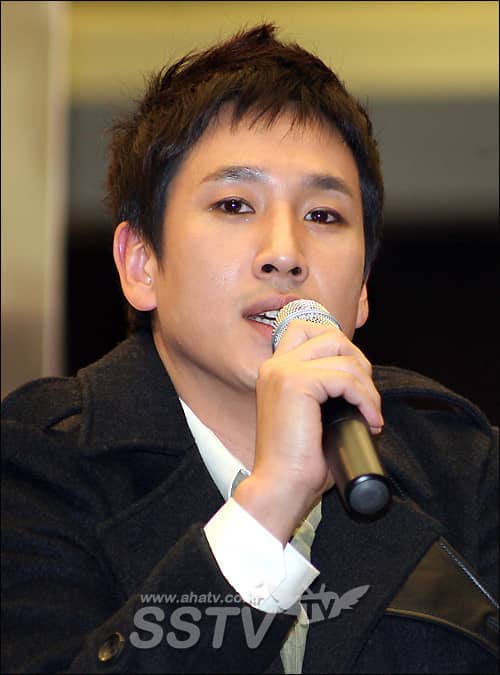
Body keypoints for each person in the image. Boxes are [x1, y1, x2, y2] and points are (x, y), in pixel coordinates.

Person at [1, 24, 498, 674]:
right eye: (235, 204)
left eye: (323, 215)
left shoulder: (463, 467)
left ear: (363, 289)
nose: (285, 254)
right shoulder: (36, 466)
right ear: (141, 263)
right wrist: (272, 501)